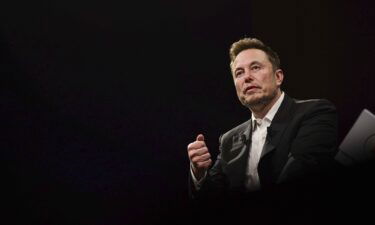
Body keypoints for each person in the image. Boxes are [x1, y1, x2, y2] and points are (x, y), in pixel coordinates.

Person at [186, 37, 338, 199]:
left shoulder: (315, 113)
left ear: (278, 77)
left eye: (255, 67)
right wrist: (199, 173)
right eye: (239, 73)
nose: (247, 77)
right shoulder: (229, 139)